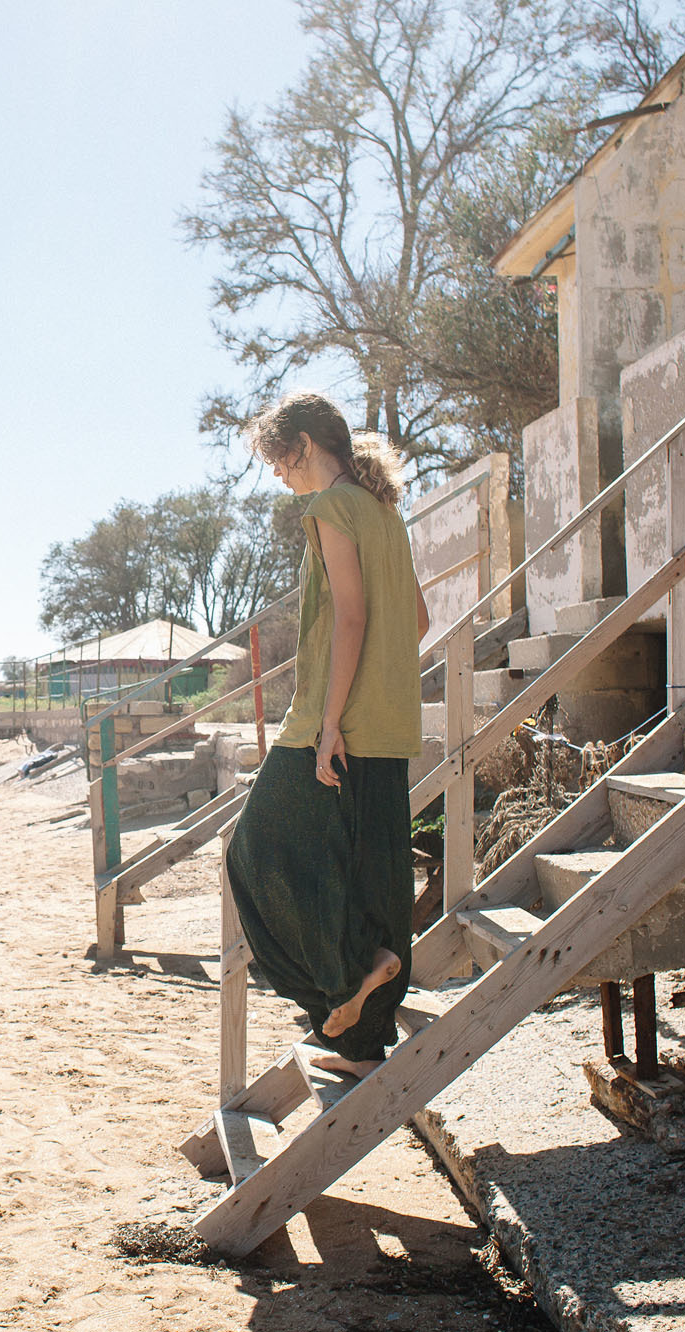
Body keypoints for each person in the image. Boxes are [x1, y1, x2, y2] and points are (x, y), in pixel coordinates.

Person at [226, 393, 430, 1080]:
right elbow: (419, 618)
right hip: (390, 724)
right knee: (370, 879)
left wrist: (332, 720)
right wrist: (376, 695)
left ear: (307, 443)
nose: (281, 475)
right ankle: (359, 1042)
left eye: (280, 460)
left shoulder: (331, 508)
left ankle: (342, 983)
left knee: (254, 855)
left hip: (331, 719)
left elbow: (350, 619)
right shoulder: (383, 512)